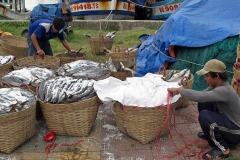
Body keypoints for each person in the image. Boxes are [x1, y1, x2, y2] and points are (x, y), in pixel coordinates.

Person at [167, 59, 240, 160]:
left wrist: (180, 90)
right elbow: (202, 96)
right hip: (228, 122)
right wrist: (180, 92)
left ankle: (222, 149)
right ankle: (212, 134)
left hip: (236, 132)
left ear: (217, 76)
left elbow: (199, 97)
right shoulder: (218, 86)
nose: (205, 78)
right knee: (204, 103)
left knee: (205, 116)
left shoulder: (224, 90)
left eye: (207, 75)